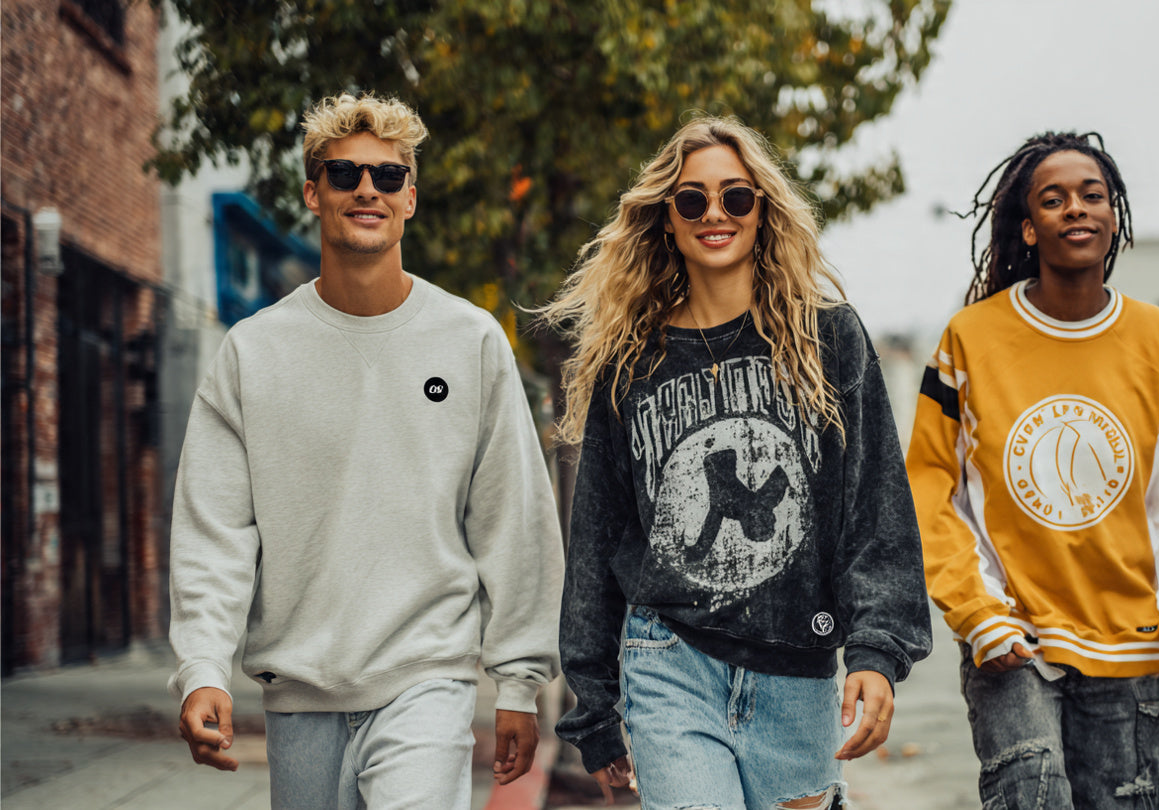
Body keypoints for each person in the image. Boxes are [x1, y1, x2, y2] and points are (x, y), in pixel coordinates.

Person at [168, 92, 565, 809]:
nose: (365, 190)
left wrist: (518, 681)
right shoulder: (253, 352)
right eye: (344, 173)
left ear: (410, 198)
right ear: (311, 192)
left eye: (386, 176)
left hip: (428, 678)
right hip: (298, 693)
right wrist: (202, 668)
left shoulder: (470, 341)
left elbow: (513, 520)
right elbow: (214, 530)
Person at [534, 116, 932, 808]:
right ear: (666, 218)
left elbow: (875, 509)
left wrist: (877, 651)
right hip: (669, 662)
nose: (714, 213)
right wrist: (594, 710)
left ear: (763, 211)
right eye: (692, 199)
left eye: (735, 197)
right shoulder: (631, 363)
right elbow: (596, 536)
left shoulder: (827, 338)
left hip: (796, 675)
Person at [906, 131, 1159, 808]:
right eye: (1053, 200)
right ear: (1029, 228)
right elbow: (926, 488)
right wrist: (978, 614)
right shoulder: (969, 338)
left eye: (1093, 195)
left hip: (1129, 646)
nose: (1076, 209)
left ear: (1114, 215)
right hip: (1012, 642)